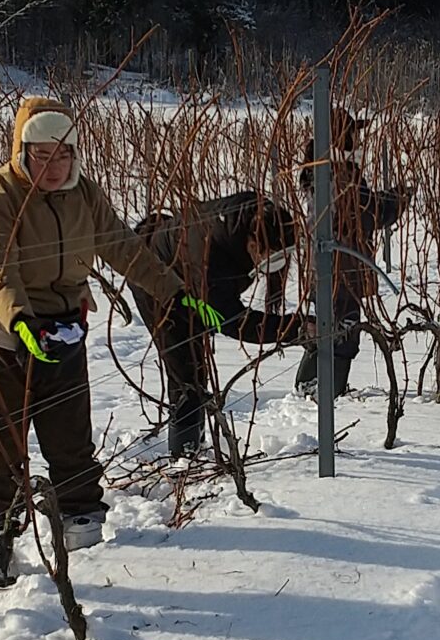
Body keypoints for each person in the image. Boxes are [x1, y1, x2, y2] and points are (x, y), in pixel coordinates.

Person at [0, 96, 216, 569]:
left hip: (63, 330)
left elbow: (124, 248)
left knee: (70, 435)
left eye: (63, 154)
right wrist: (20, 320)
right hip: (1, 335)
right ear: (21, 151)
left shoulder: (85, 195)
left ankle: (82, 522)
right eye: (42, 155)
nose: (54, 166)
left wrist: (175, 292)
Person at [131, 191, 314, 459]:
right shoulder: (209, 256)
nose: (275, 267)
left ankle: (193, 444)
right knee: (187, 370)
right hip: (153, 278)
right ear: (251, 244)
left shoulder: (261, 217)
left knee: (194, 364)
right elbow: (229, 321)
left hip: (189, 275)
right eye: (270, 258)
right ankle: (185, 455)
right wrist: (292, 329)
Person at [291, 109, 403, 397]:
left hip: (322, 263)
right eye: (354, 132)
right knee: (345, 329)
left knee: (324, 324)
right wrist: (395, 201)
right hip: (343, 262)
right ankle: (328, 392)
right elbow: (365, 214)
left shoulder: (318, 170)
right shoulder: (342, 173)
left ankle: (309, 387)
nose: (359, 138)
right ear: (343, 137)